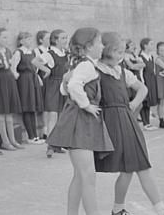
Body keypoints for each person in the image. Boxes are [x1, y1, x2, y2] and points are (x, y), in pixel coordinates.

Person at [95, 32, 164, 215]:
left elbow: (143, 88)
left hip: (127, 120)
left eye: (122, 52)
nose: (120, 56)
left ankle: (123, 209)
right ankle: (157, 208)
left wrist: (133, 104)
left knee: (135, 166)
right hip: (110, 123)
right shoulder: (95, 69)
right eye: (117, 51)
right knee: (133, 167)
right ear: (106, 50)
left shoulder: (122, 71)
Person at [47, 27, 114, 215]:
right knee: (87, 176)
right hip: (79, 121)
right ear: (88, 46)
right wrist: (86, 105)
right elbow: (74, 86)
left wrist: (68, 83)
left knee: (80, 176)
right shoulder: (86, 66)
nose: (102, 46)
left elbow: (64, 89)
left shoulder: (81, 64)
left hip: (78, 121)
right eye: (99, 43)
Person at [32, 29, 68, 157]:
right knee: (52, 115)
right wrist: (46, 69)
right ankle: (51, 145)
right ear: (56, 40)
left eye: (66, 38)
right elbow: (34, 61)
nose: (66, 40)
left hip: (64, 86)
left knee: (62, 116)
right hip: (53, 85)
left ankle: (58, 144)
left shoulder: (66, 53)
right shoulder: (50, 54)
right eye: (63, 38)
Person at [0, 27, 23, 150]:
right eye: (4, 37)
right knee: (1, 112)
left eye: (8, 37)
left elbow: (11, 65)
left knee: (9, 112)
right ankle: (5, 141)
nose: (7, 40)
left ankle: (12, 140)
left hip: (9, 80)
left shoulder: (8, 51)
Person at [11, 32, 44, 144]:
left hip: (32, 79)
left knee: (32, 108)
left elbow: (38, 64)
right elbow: (13, 68)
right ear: (21, 41)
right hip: (24, 81)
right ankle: (31, 136)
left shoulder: (33, 52)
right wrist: (17, 77)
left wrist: (37, 75)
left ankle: (35, 135)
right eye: (27, 39)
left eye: (31, 39)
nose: (30, 41)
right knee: (26, 107)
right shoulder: (18, 52)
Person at [34, 30, 50, 139]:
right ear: (41, 40)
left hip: (52, 80)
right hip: (43, 79)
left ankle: (51, 129)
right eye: (47, 38)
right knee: (46, 105)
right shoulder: (37, 50)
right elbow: (34, 67)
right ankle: (45, 131)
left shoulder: (51, 51)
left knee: (52, 107)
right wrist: (37, 78)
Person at [139, 38, 158, 130]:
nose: (152, 46)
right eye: (151, 44)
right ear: (145, 45)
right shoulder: (140, 57)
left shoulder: (151, 56)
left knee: (149, 101)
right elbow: (140, 72)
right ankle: (145, 123)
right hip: (145, 80)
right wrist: (142, 83)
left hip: (151, 80)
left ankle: (148, 123)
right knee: (144, 101)